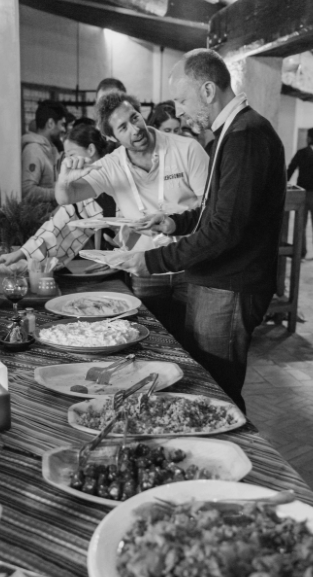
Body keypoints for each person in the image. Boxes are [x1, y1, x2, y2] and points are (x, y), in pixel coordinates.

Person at [114, 49, 286, 413]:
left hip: (230, 285)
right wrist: (174, 222)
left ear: (208, 91)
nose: (178, 111)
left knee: (218, 393)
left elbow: (225, 230)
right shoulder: (229, 132)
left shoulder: (246, 134)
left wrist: (151, 260)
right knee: (203, 383)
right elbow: (214, 211)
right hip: (215, 282)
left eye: (181, 100)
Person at [55, 91, 209, 342]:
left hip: (191, 265)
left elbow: (211, 208)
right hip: (145, 268)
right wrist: (64, 179)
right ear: (111, 137)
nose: (135, 129)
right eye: (123, 128)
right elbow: (66, 196)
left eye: (135, 118)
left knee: (195, 340)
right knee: (151, 339)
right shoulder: (111, 166)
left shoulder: (187, 149)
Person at [0, 125, 114, 267]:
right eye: (66, 156)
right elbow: (60, 224)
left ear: (90, 150)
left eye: (72, 155)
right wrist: (22, 253)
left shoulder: (118, 174)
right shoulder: (85, 191)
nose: (68, 162)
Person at [21, 100, 68, 202]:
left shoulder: (52, 149)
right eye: (62, 124)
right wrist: (60, 193)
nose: (64, 130)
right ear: (50, 123)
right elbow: (27, 190)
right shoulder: (33, 150)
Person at [287, 128, 313, 258]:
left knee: (301, 224)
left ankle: (301, 252)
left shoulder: (302, 153)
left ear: (309, 138)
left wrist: (284, 183)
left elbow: (291, 169)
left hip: (303, 193)